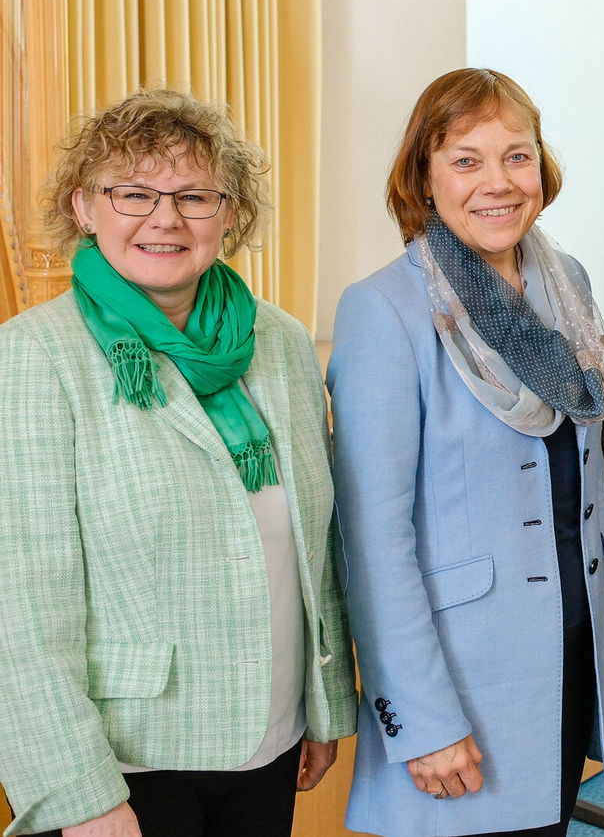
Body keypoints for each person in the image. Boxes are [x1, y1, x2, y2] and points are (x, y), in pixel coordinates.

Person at [0, 90, 356, 837]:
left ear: (230, 214)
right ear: (84, 207)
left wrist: (320, 707)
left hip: (270, 737)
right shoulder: (36, 355)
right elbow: (21, 608)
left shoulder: (282, 343)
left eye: (194, 196)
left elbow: (313, 542)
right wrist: (80, 795)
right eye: (133, 193)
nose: (165, 218)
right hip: (127, 764)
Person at [328, 68, 604, 837]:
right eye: (466, 160)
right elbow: (372, 543)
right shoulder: (383, 311)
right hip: (460, 678)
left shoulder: (567, 285)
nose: (498, 183)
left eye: (516, 156)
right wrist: (421, 718)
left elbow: (586, 482)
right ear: (423, 179)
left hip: (565, 656)